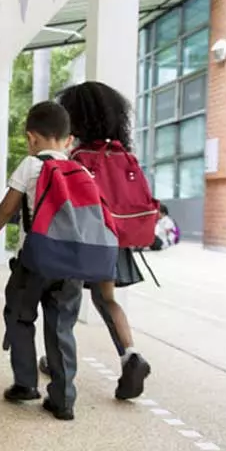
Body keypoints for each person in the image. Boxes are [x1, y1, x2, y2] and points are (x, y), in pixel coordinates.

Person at [0, 102, 84, 421]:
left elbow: (7, 207)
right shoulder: (79, 171)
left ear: (31, 137)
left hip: (34, 260)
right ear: (68, 140)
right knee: (62, 326)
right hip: (71, 264)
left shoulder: (31, 165)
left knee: (19, 316)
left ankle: (25, 383)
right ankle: (63, 398)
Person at [48, 81, 151, 400]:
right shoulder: (123, 156)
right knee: (107, 300)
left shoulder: (78, 157)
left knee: (65, 305)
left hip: (83, 244)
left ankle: (58, 364)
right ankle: (130, 355)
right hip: (115, 241)